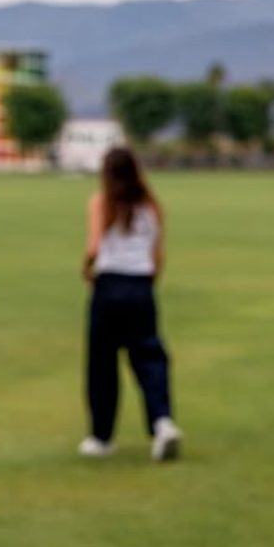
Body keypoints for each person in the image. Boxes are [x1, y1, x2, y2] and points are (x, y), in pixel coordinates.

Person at [79, 146, 183, 462]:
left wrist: (87, 270)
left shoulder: (102, 202)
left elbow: (94, 247)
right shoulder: (151, 206)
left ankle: (101, 436)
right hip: (141, 286)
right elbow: (158, 255)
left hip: (109, 284)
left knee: (102, 362)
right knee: (149, 357)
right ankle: (162, 421)